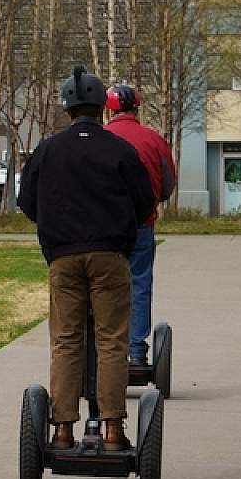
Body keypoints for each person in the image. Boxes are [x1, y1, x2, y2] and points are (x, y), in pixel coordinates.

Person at [16, 66, 156, 451]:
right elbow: (144, 202)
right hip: (110, 255)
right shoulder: (119, 149)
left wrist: (55, 226)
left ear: (67, 108)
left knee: (65, 340)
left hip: (63, 257)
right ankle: (112, 428)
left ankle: (61, 429)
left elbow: (26, 201)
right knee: (112, 341)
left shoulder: (48, 150)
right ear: (100, 108)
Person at [104, 82, 177, 362]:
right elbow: (167, 186)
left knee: (102, 286)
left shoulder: (103, 138)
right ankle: (135, 350)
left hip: (105, 229)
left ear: (109, 110)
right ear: (137, 107)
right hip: (142, 225)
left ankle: (105, 349)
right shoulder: (153, 139)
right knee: (139, 284)